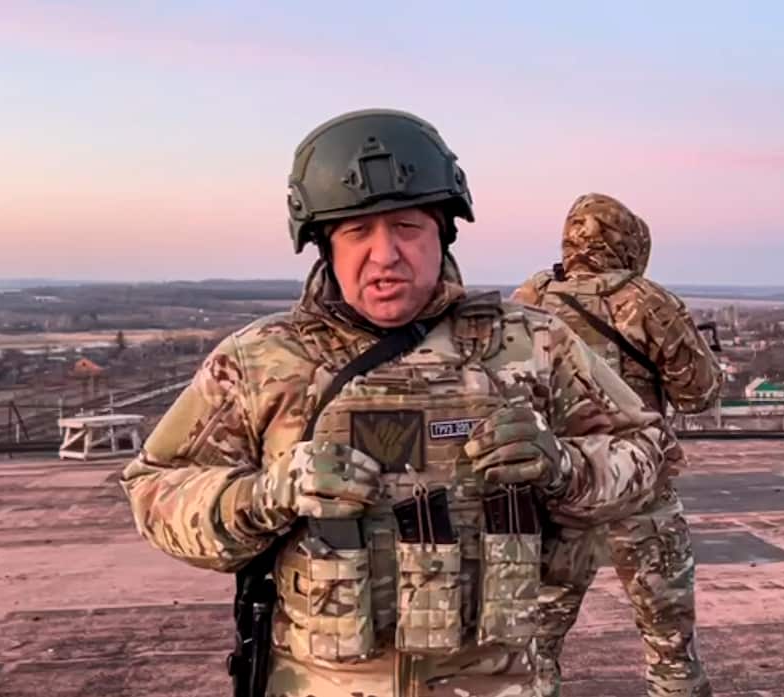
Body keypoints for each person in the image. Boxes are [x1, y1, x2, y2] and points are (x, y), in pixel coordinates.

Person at [119, 110, 679, 697]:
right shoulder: (262, 360)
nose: (385, 254)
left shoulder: (532, 344)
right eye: (358, 232)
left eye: (407, 227)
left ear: (443, 232)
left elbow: (647, 451)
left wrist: (563, 467)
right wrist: (267, 495)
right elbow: (155, 491)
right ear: (323, 246)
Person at [512, 192, 722, 697]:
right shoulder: (647, 302)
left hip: (557, 499)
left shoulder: (529, 300)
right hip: (639, 497)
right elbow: (699, 394)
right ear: (626, 241)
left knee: (530, 657)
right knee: (671, 650)